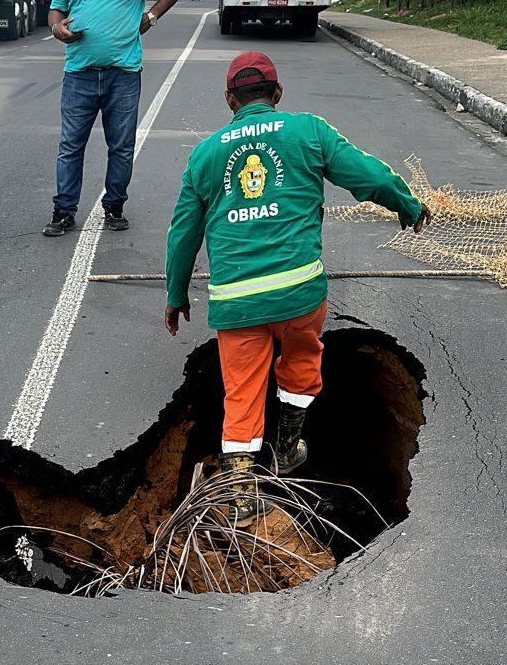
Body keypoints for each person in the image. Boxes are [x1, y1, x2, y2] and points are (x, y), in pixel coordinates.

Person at [164, 51, 431, 525]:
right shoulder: (308, 131)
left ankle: (242, 495)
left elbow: (183, 231)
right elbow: (367, 175)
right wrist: (406, 205)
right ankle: (287, 446)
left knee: (241, 393)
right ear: (277, 94)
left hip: (237, 302)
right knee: (302, 365)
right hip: (299, 294)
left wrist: (176, 294)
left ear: (230, 100)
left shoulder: (205, 155)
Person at [45, 0, 186, 237]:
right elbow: (56, 9)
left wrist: (151, 17)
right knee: (70, 145)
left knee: (121, 146)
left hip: (123, 73)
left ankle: (114, 206)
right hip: (79, 72)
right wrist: (57, 29)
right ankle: (64, 210)